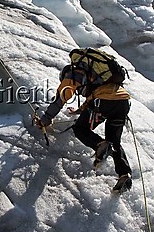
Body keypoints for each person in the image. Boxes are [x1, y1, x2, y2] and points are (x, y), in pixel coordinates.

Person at [35, 50, 133, 192]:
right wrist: (78, 111)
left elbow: (60, 99)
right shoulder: (97, 77)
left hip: (103, 101)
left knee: (80, 128)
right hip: (123, 102)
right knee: (114, 141)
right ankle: (124, 174)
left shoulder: (72, 75)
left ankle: (100, 144)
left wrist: (46, 119)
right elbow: (95, 97)